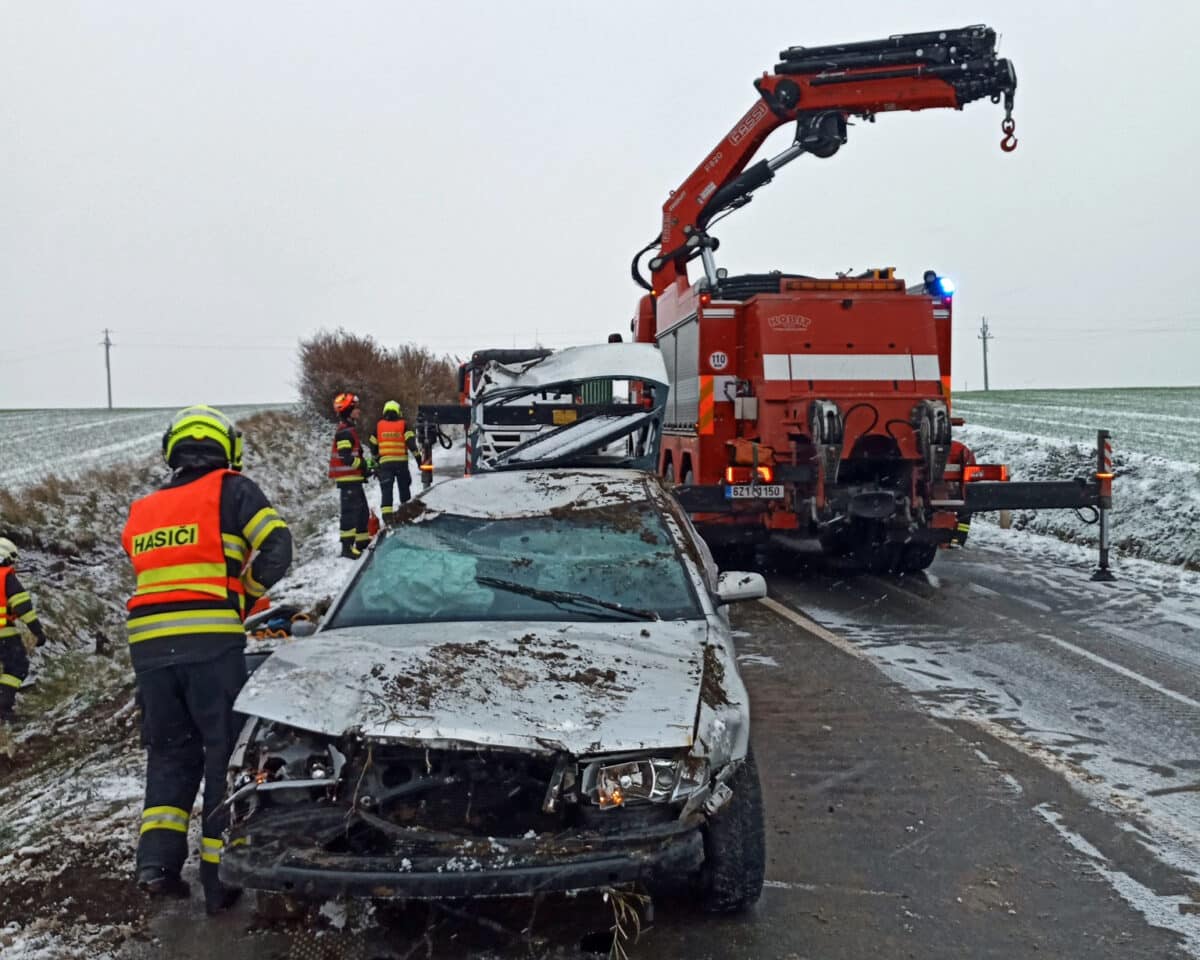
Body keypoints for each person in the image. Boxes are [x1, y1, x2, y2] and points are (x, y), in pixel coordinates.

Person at [121, 405, 292, 914]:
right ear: (227, 449)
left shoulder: (144, 508)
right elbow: (278, 547)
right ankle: (219, 881)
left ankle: (157, 868)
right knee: (222, 753)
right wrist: (243, 598)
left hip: (149, 648)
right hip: (211, 644)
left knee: (170, 754)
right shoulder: (233, 489)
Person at [0, 537, 47, 750]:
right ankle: (3, 709)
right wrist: (37, 631)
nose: (12, 565)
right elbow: (23, 606)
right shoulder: (5, 577)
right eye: (11, 560)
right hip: (3, 633)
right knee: (16, 667)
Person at [329, 392, 371, 557]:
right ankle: (347, 548)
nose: (359, 411)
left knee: (362, 512)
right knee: (350, 513)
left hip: (354, 479)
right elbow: (346, 458)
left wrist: (365, 467)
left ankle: (362, 542)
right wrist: (362, 465)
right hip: (348, 480)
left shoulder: (349, 429)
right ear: (349, 411)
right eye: (356, 409)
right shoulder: (344, 432)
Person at [368, 400, 418, 523]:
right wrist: (420, 460)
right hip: (401, 464)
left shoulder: (379, 426)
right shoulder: (403, 425)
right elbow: (412, 444)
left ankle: (387, 518)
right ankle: (406, 514)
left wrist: (376, 458)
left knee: (386, 490)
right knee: (404, 488)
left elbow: (372, 443)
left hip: (385, 465)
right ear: (398, 411)